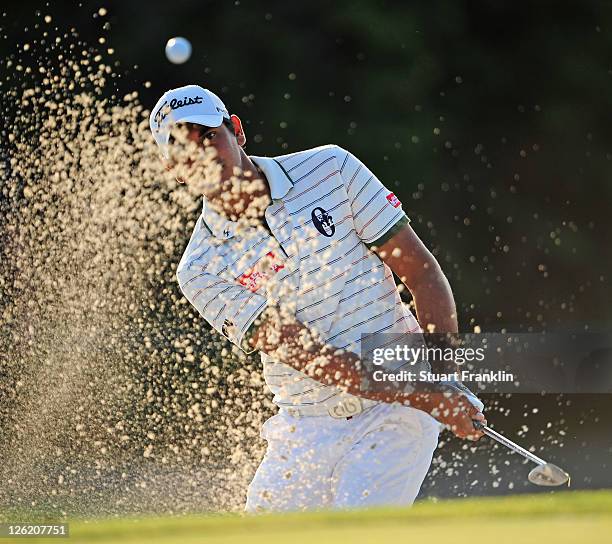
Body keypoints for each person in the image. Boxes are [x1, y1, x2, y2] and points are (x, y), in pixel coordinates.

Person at [149, 84, 486, 512]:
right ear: (172, 169)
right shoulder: (200, 268)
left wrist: (443, 380)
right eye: (184, 150)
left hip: (396, 410)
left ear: (236, 130)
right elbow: (313, 357)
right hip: (305, 427)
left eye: (210, 136)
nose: (204, 155)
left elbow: (421, 273)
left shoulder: (331, 170)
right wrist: (431, 396)